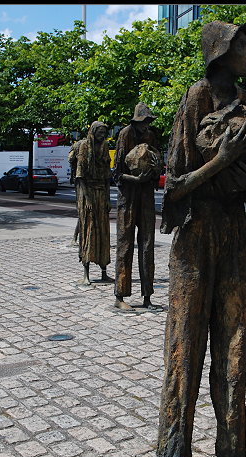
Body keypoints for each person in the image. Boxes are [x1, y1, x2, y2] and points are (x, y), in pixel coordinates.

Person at [155, 20, 246, 457]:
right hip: (195, 236)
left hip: (233, 234)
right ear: (221, 51)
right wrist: (221, 161)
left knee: (233, 341)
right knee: (185, 344)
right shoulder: (195, 99)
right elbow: (175, 185)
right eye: (243, 44)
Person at [112, 103, 162, 311]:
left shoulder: (151, 136)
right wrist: (134, 178)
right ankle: (120, 295)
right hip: (128, 196)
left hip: (146, 195)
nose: (146, 126)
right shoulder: (125, 134)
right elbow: (116, 173)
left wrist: (151, 174)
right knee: (125, 244)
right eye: (144, 122)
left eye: (148, 122)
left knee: (147, 243)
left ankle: (147, 295)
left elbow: (156, 164)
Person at [75, 121, 114, 285]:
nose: (102, 135)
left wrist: (107, 198)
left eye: (104, 132)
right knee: (89, 231)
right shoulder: (84, 146)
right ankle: (86, 273)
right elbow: (80, 177)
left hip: (101, 194)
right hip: (88, 194)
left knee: (103, 232)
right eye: (100, 132)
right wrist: (88, 200)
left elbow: (106, 176)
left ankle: (104, 270)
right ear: (93, 131)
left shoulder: (104, 146)